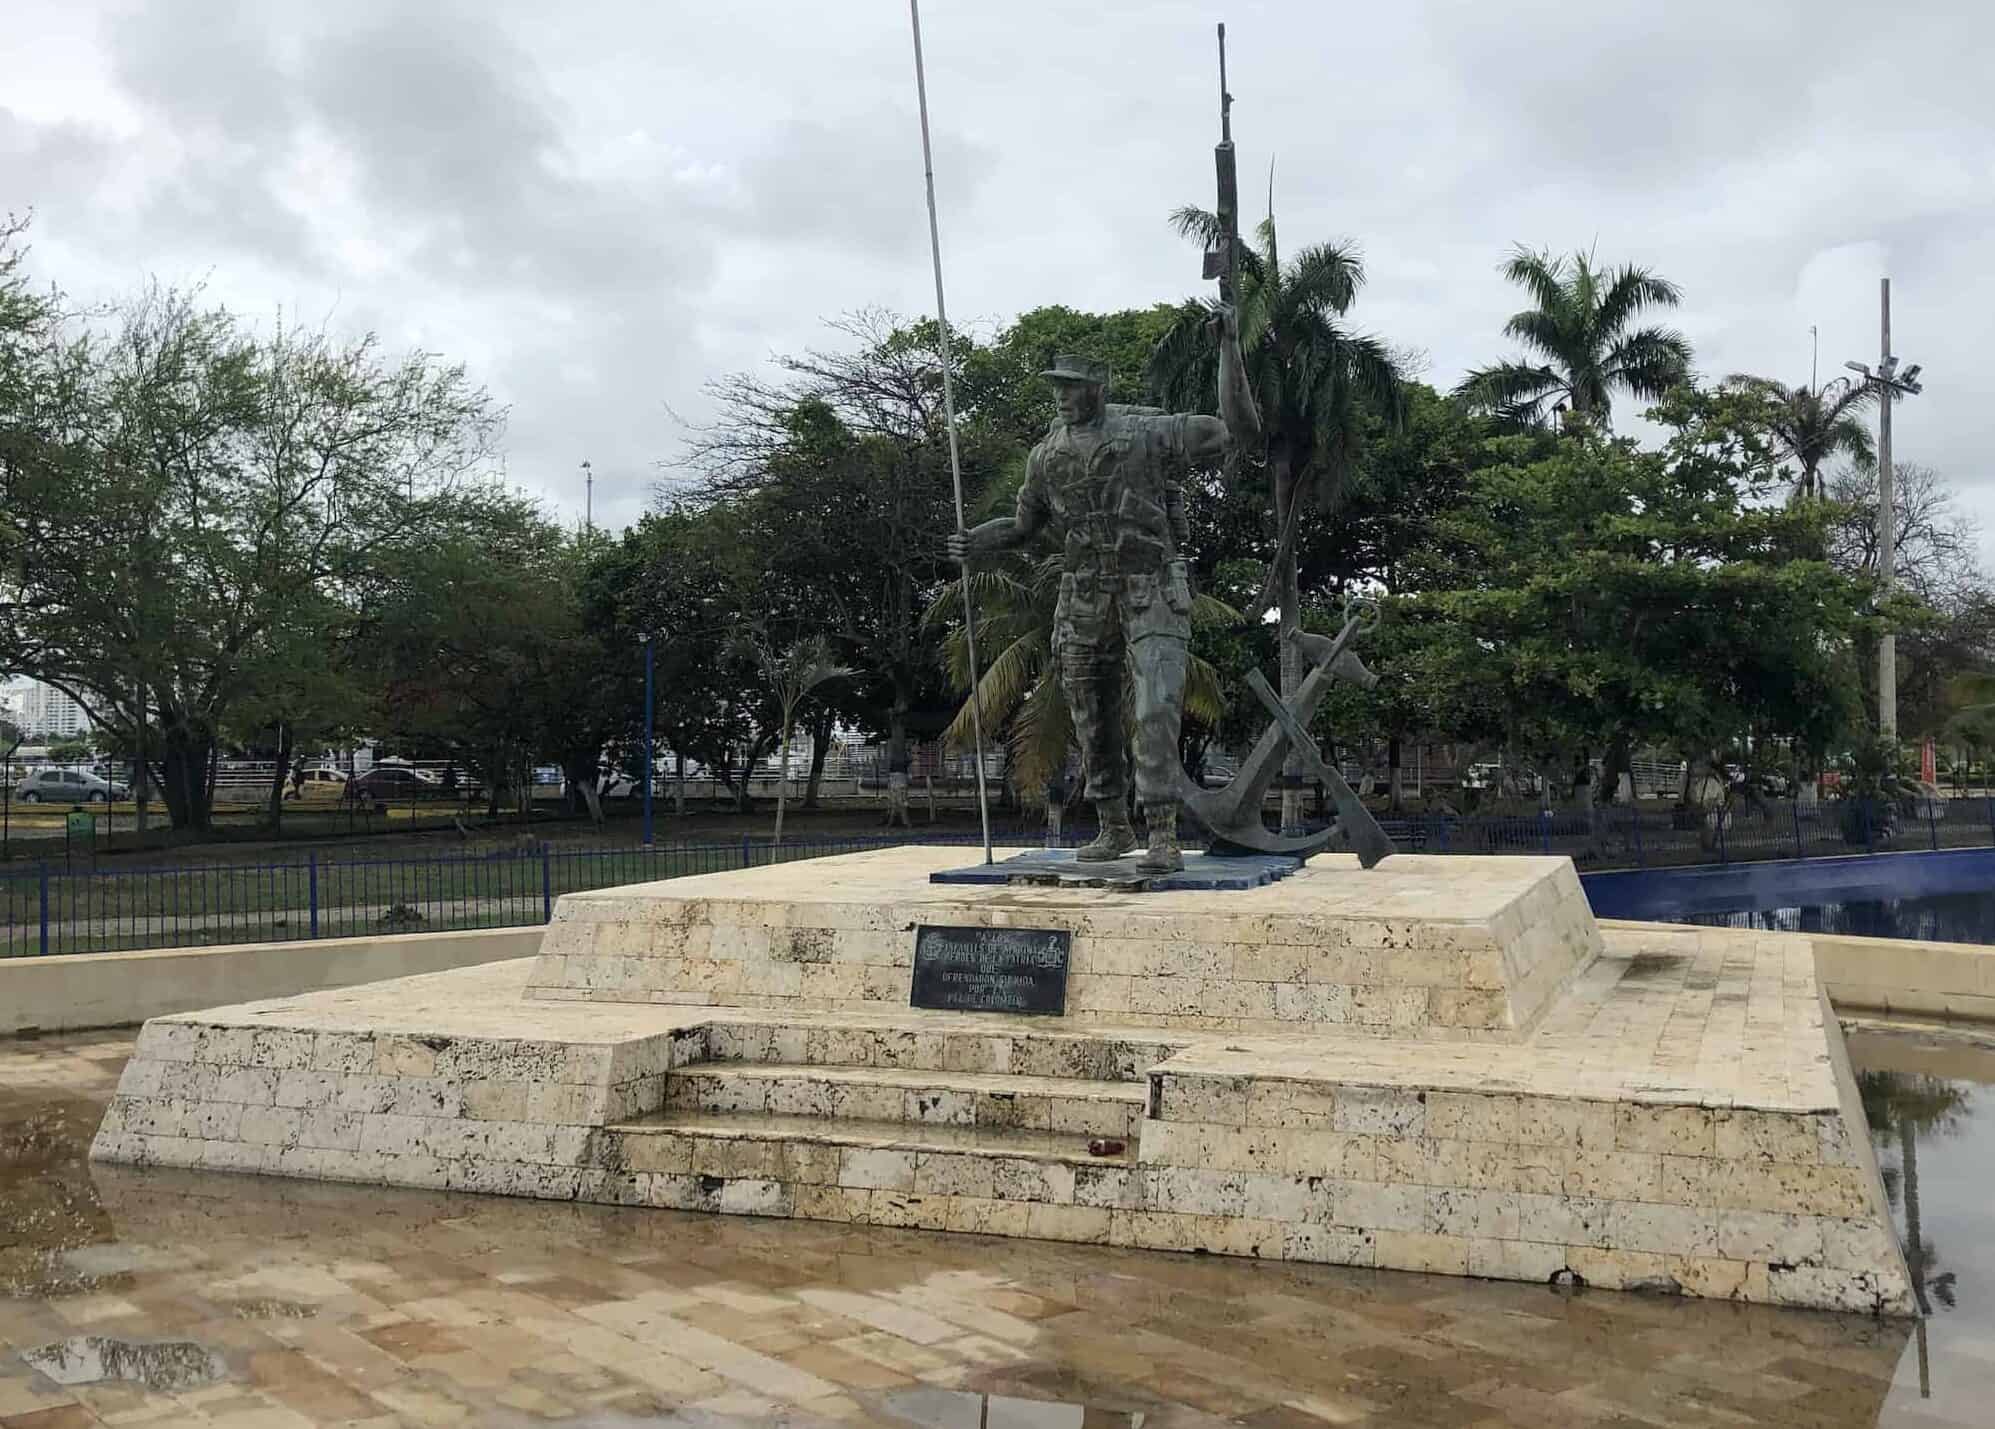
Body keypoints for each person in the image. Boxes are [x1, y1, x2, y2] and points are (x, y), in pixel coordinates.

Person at [947, 307, 1259, 872]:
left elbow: (1232, 430)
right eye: (1057, 389)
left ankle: (1161, 830)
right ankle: (1113, 825)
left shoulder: (1145, 432)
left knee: (1156, 704)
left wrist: (1229, 349)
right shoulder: (1047, 456)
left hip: (1151, 586)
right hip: (1084, 594)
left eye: (1073, 388)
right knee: (1090, 714)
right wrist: (976, 542)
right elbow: (1022, 528)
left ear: (1098, 389)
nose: (1063, 397)